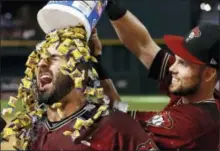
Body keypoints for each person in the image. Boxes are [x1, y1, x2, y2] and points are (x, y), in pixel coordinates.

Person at [1, 26, 153, 151]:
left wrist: (96, 60)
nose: (41, 64)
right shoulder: (31, 131)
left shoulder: (112, 126)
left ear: (80, 73)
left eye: (54, 58)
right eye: (39, 58)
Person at [103, 1, 220, 150]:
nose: (172, 68)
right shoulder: (194, 90)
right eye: (176, 59)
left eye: (183, 63)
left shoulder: (193, 123)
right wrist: (110, 5)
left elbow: (118, 130)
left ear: (209, 74)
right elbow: (143, 45)